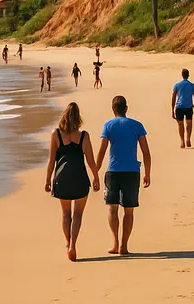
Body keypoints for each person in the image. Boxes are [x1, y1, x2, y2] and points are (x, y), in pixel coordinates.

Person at [44, 102, 102, 262]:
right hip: (80, 177)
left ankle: (67, 242)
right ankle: (73, 245)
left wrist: (48, 180)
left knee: (65, 213)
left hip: (62, 178)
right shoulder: (83, 136)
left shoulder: (55, 135)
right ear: (78, 118)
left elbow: (51, 161)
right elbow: (90, 160)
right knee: (77, 214)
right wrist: (96, 177)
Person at [96, 95, 151, 255]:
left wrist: (95, 171)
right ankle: (124, 246)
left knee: (112, 209)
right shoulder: (137, 125)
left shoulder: (108, 126)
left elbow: (102, 150)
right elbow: (146, 152)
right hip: (132, 172)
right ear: (126, 108)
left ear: (113, 109)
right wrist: (147, 173)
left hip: (113, 172)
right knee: (129, 211)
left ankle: (115, 243)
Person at [171, 69, 194, 148]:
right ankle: (188, 139)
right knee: (189, 124)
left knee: (180, 125)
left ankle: (182, 141)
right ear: (188, 75)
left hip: (179, 107)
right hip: (189, 106)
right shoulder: (192, 85)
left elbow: (173, 97)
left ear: (182, 75)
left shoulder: (177, 85)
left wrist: (172, 110)